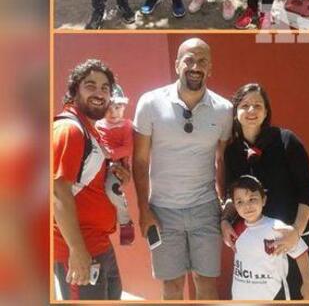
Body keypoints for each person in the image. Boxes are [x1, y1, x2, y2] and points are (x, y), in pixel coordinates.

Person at [132, 38, 233, 300]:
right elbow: (140, 161)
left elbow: (222, 159)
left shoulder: (224, 111)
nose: (195, 66)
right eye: (189, 59)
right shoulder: (150, 103)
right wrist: (144, 210)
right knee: (172, 286)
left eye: (202, 61)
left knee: (206, 283)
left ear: (210, 68)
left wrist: (224, 202)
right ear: (177, 64)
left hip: (205, 209)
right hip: (162, 212)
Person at [221, 83, 309, 299]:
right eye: (245, 105)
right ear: (236, 113)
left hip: (292, 235)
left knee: (297, 295)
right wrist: (225, 221)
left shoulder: (286, 141)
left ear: (266, 111)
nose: (252, 111)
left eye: (258, 105)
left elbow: (308, 189)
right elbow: (230, 194)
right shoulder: (233, 152)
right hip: (258, 241)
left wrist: (295, 232)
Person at [53, 59, 131, 300]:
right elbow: (57, 191)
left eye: (105, 88)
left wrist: (117, 174)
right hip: (78, 249)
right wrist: (76, 251)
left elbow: (87, 178)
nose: (99, 93)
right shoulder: (70, 130)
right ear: (75, 90)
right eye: (90, 85)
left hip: (100, 245)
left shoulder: (90, 129)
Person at [229, 176, 309, 300]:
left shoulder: (276, 227)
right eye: (240, 202)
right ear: (235, 206)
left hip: (273, 296)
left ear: (263, 200)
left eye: (252, 199)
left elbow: (301, 252)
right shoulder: (234, 230)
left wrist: (308, 284)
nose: (247, 206)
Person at [94, 84, 135, 246]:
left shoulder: (126, 126)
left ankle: (124, 220)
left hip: (116, 166)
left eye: (117, 107)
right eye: (109, 108)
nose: (113, 113)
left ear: (124, 107)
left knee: (113, 189)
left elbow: (128, 148)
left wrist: (110, 154)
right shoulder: (98, 125)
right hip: (97, 165)